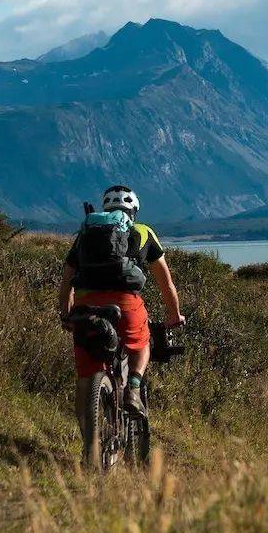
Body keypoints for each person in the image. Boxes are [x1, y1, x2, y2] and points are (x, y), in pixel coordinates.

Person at [58, 185, 185, 432]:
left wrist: (66, 314)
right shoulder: (143, 231)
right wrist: (174, 316)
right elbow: (166, 284)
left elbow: (66, 284)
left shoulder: (85, 234)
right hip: (126, 303)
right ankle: (133, 388)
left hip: (85, 304)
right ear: (134, 210)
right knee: (142, 342)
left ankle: (90, 447)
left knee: (85, 379)